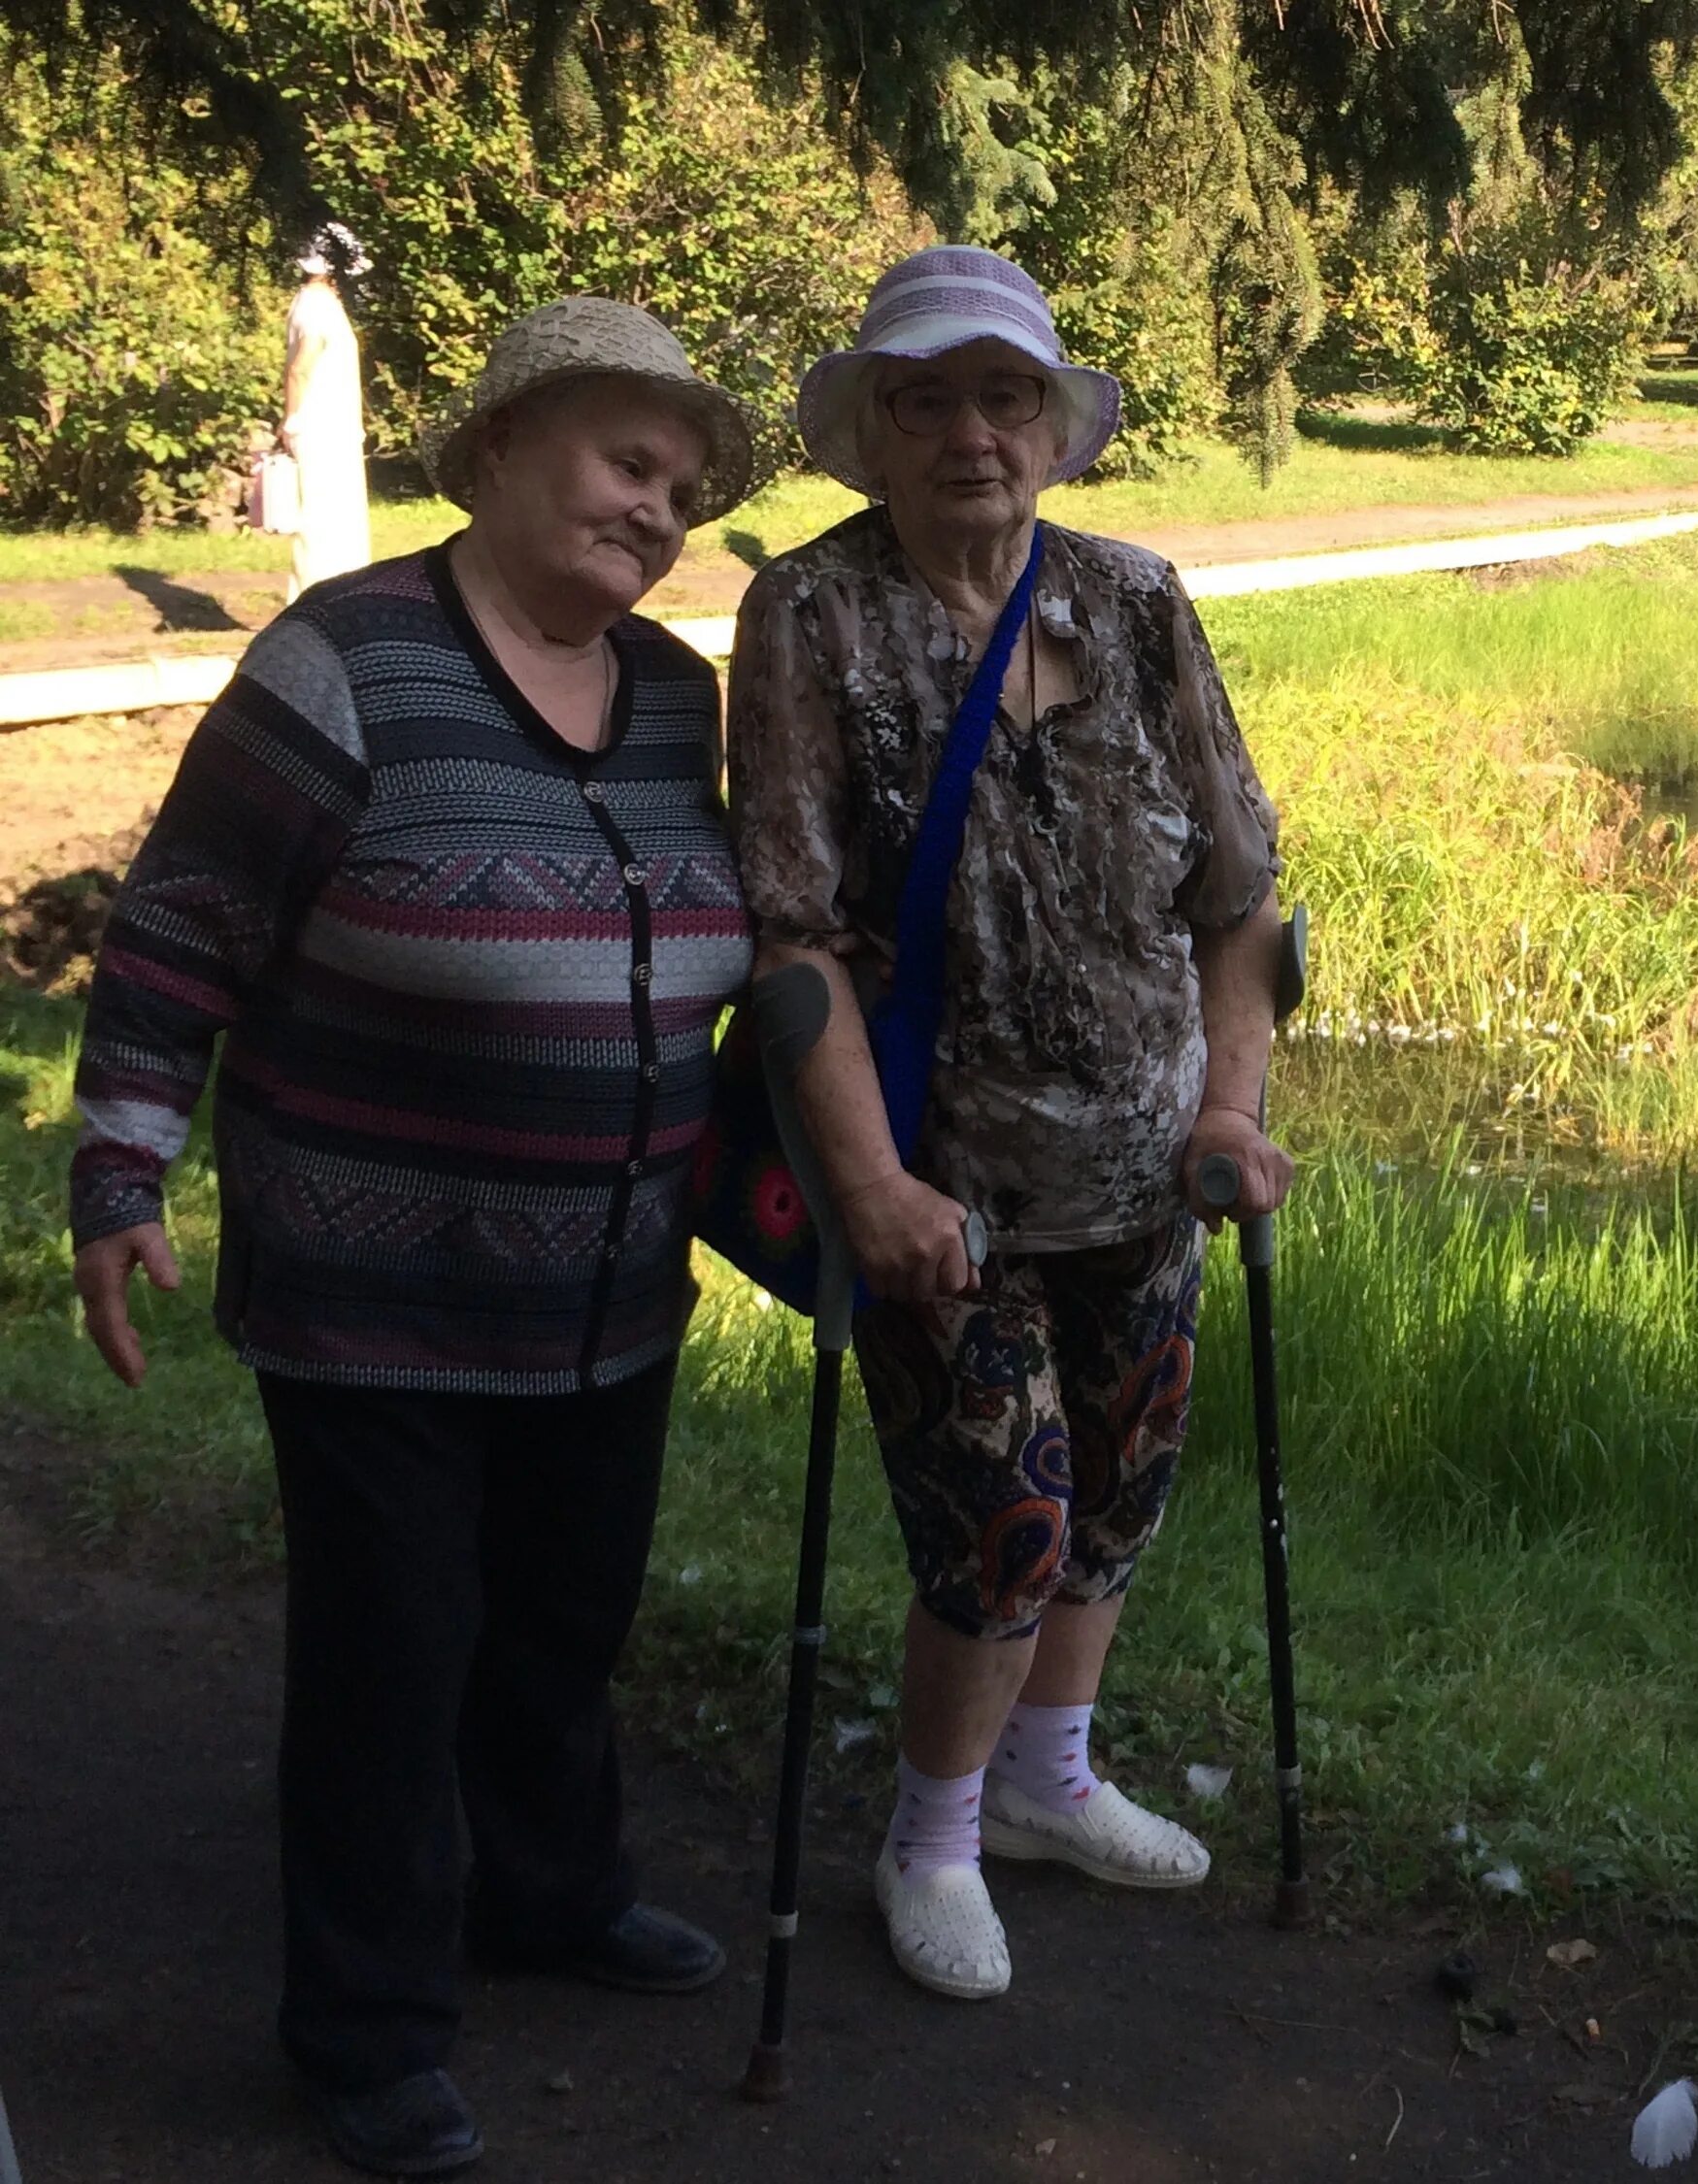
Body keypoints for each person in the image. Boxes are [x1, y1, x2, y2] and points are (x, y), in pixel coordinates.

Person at [68, 298, 760, 2180]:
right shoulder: (342, 665)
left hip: (613, 1287)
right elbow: (177, 934)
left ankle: (545, 1892)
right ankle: (365, 2028)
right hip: (371, 1290)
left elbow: (724, 933)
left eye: (683, 490)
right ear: (504, 451)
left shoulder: (677, 692)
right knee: (393, 1652)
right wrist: (123, 1179)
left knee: (561, 1618)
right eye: (632, 463)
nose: (658, 510)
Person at [727, 245, 1293, 2002]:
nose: (972, 434)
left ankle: (1053, 1786)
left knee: (1115, 1491)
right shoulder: (812, 617)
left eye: (1005, 397)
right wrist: (868, 1182)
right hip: (944, 1191)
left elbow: (1241, 892)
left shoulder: (1133, 603)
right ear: (872, 433)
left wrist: (1227, 1106)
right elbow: (794, 937)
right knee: (1003, 1520)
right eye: (927, 400)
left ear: (1054, 426)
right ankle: (937, 1835)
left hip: (1142, 1172)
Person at [279, 223, 374, 598]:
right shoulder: (317, 305)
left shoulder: (317, 302)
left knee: (337, 517)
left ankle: (341, 595)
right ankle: (318, 599)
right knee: (323, 519)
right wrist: (293, 421)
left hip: (332, 427)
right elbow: (301, 367)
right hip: (321, 428)